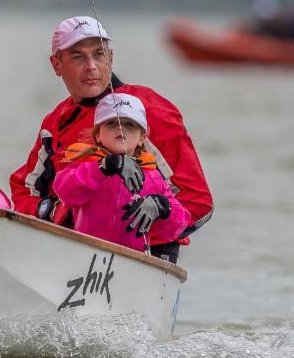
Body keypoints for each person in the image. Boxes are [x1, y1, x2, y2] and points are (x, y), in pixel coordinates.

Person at [9, 15, 213, 264]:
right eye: (77, 56)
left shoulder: (153, 110)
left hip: (147, 258)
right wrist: (50, 211)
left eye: (99, 54)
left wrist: (158, 210)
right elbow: (23, 192)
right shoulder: (55, 123)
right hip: (72, 253)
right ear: (56, 65)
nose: (91, 66)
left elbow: (199, 205)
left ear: (111, 58)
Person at [53, 93, 191, 257]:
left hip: (131, 262)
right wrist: (103, 167)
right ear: (98, 135)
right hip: (85, 254)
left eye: (130, 125)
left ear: (142, 137)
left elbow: (178, 226)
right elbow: (64, 191)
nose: (120, 127)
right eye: (111, 123)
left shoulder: (154, 177)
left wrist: (163, 206)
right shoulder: (87, 166)